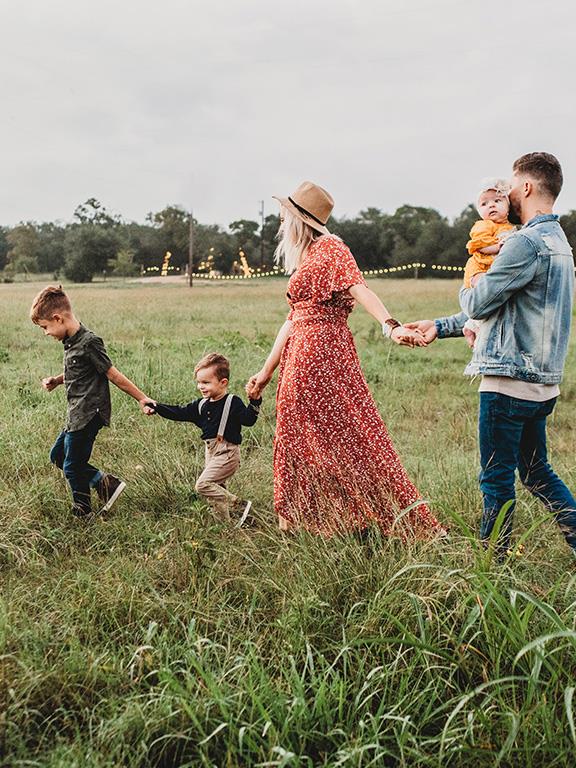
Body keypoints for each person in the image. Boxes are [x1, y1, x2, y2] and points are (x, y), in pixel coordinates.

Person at [246, 180, 445, 538]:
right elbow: (292, 319)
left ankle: (354, 515)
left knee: (346, 434)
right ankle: (305, 519)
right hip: (302, 353)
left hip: (322, 354)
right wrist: (265, 371)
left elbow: (360, 288)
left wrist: (390, 326)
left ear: (299, 220)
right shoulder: (308, 256)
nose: (279, 223)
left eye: (283, 217)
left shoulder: (331, 248)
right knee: (301, 436)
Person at [406, 153, 576, 558]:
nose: (507, 194)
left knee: (495, 479)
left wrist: (470, 278)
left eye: (512, 187)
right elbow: (507, 305)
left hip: (507, 383)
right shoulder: (560, 244)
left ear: (528, 187)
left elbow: (480, 302)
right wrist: (441, 325)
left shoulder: (523, 242)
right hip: (542, 385)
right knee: (536, 473)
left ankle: (493, 566)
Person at [31, 286, 152, 517]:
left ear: (58, 318)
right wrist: (57, 380)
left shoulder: (89, 342)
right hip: (76, 413)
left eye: (45, 327)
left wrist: (142, 398)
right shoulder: (72, 342)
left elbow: (112, 374)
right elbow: (80, 371)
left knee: (72, 466)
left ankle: (83, 511)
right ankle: (106, 484)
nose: (46, 333)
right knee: (58, 456)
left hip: (89, 413)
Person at [145, 353, 261, 526]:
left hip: (228, 453)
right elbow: (179, 412)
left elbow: (249, 420)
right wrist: (157, 407)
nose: (201, 386)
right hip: (211, 452)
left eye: (206, 382)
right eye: (199, 382)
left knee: (203, 485)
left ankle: (239, 505)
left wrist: (254, 401)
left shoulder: (232, 402)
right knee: (216, 493)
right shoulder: (201, 405)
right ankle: (225, 528)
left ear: (223, 383)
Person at [462, 179, 516, 347]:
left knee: (494, 299)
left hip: (492, 267)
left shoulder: (510, 227)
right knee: (485, 292)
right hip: (479, 267)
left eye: (497, 201)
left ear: (508, 207)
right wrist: (498, 247)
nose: (491, 205)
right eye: (485, 204)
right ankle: (474, 327)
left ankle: (472, 326)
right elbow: (479, 245)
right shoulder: (483, 225)